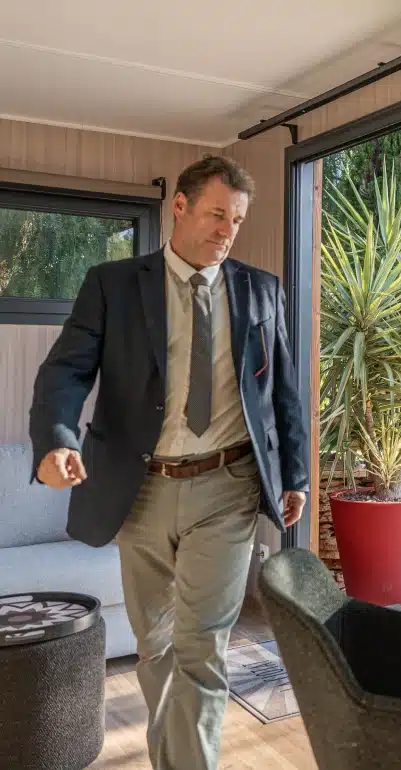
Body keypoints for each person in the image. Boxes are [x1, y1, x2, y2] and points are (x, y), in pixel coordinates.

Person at [29, 155, 308, 770]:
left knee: (201, 644)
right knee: (155, 647)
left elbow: (283, 390)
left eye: (236, 219)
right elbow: (65, 371)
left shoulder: (261, 290)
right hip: (141, 488)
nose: (226, 230)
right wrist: (56, 440)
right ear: (177, 207)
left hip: (228, 486)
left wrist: (297, 474)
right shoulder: (113, 284)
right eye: (215, 214)